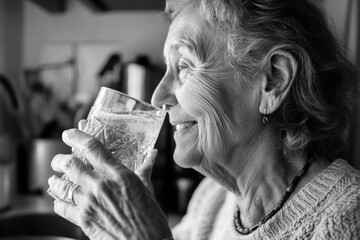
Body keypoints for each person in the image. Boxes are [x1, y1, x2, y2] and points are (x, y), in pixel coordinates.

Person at [47, 0, 360, 239]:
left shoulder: (346, 218)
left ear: (273, 80)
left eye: (184, 66)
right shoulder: (211, 200)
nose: (158, 97)